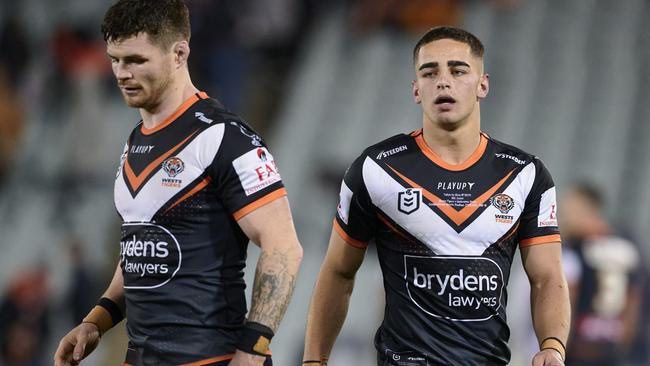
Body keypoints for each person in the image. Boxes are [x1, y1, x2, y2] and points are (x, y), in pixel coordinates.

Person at [53, 1, 303, 365]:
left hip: (211, 358)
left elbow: (284, 248)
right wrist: (95, 321)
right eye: (115, 59)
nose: (122, 73)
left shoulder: (224, 137)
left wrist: (253, 350)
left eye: (136, 60)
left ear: (179, 53)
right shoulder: (134, 142)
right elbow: (140, 251)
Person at [303, 26, 570, 366]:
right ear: (416, 90)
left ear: (482, 85)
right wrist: (314, 361)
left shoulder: (525, 175)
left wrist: (552, 345)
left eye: (458, 71)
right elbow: (338, 272)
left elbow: (547, 276)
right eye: (430, 73)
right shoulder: (375, 170)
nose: (443, 81)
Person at [559, 184, 643, 366]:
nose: (564, 219)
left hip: (578, 347)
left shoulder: (574, 248)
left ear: (587, 210)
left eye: (569, 211)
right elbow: (634, 301)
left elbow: (566, 297)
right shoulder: (627, 245)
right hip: (612, 347)